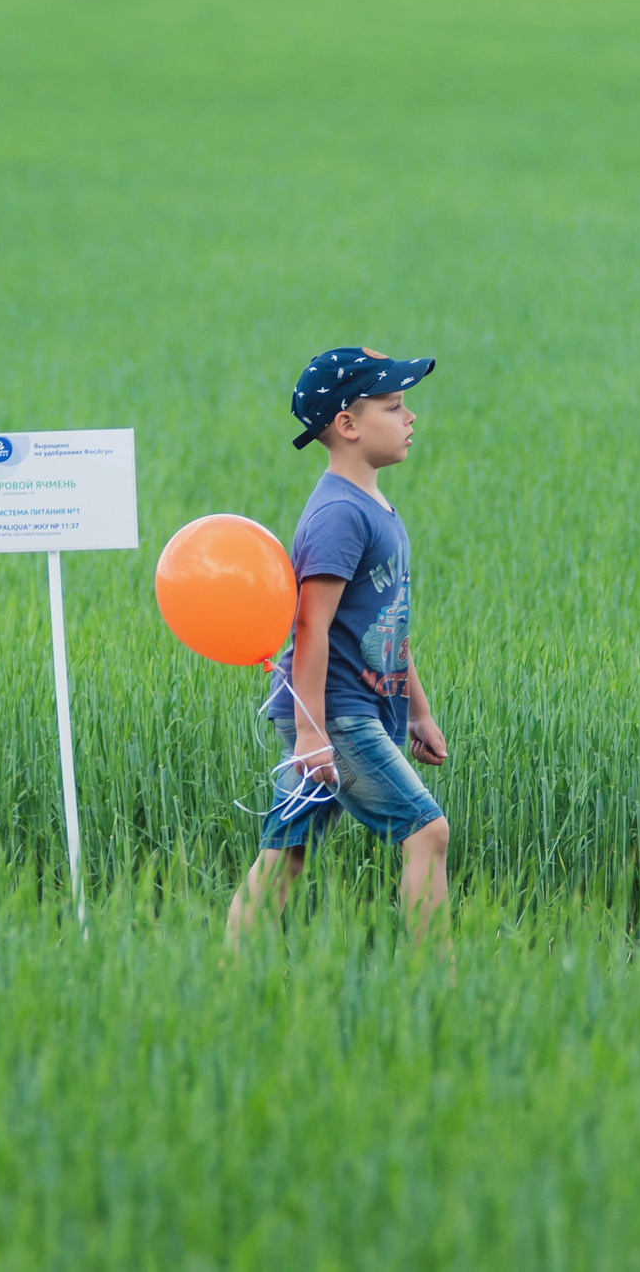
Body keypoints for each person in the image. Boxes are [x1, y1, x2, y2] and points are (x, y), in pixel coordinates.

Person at [228, 347, 454, 944]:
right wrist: (311, 733)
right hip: (337, 716)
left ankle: (226, 975)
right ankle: (440, 984)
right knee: (427, 832)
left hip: (350, 709)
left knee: (287, 855)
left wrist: (418, 710)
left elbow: (388, 624)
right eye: (394, 405)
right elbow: (311, 626)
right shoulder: (337, 515)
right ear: (348, 425)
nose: (410, 418)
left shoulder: (374, 505)